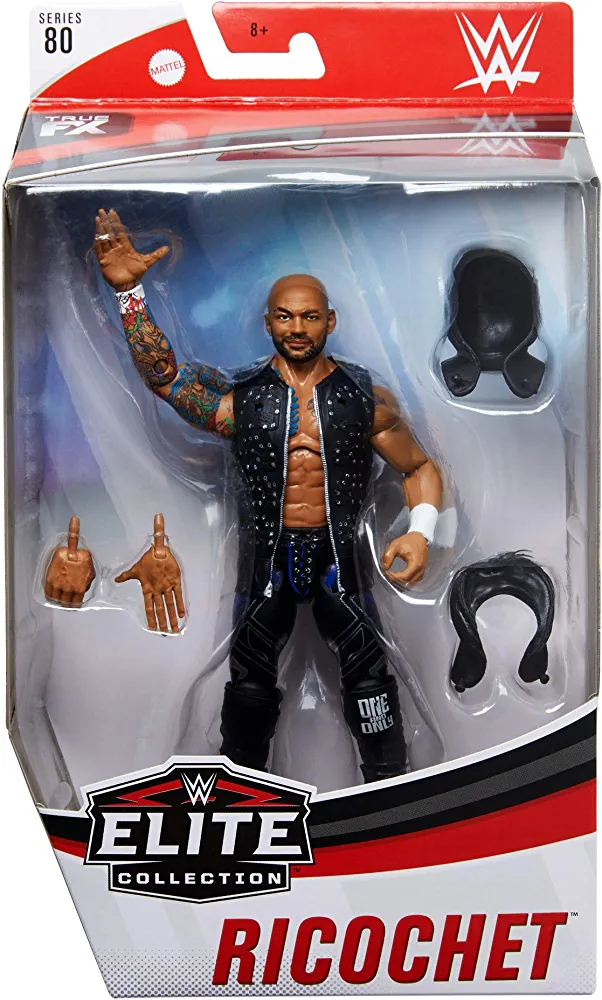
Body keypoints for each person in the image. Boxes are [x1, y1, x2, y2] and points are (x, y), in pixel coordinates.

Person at [94, 208, 442, 781]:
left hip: (339, 558)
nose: (297, 328)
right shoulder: (243, 399)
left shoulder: (363, 398)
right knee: (249, 682)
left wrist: (421, 532)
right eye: (285, 316)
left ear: (330, 321)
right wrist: (130, 295)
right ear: (267, 322)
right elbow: (166, 378)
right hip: (266, 560)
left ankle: (391, 791)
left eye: (309, 317)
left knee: (370, 675)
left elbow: (420, 467)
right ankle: (237, 794)